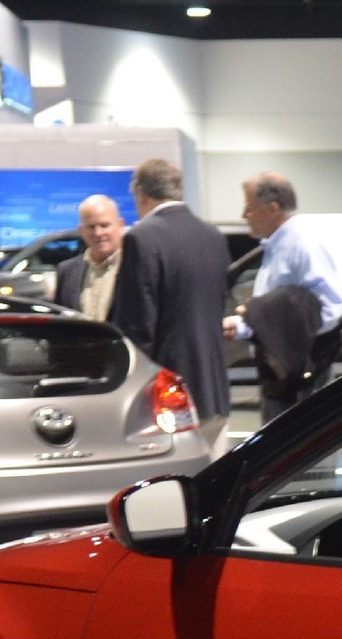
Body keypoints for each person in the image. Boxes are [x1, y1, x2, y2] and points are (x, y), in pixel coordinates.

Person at [109, 157, 233, 447]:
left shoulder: (142, 238)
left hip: (170, 395)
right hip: (214, 387)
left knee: (172, 482)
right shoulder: (212, 235)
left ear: (141, 194)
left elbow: (138, 324)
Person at [223, 171, 342, 421]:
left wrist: (280, 330)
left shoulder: (302, 245)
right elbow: (276, 311)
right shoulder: (278, 246)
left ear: (273, 208)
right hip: (283, 377)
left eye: (249, 207)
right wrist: (244, 326)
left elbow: (331, 312)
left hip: (301, 380)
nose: (243, 215)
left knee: (304, 453)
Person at [53, 194, 124, 320]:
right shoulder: (67, 271)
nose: (98, 233)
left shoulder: (136, 268)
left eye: (104, 225)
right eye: (91, 227)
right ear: (81, 230)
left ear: (120, 225)